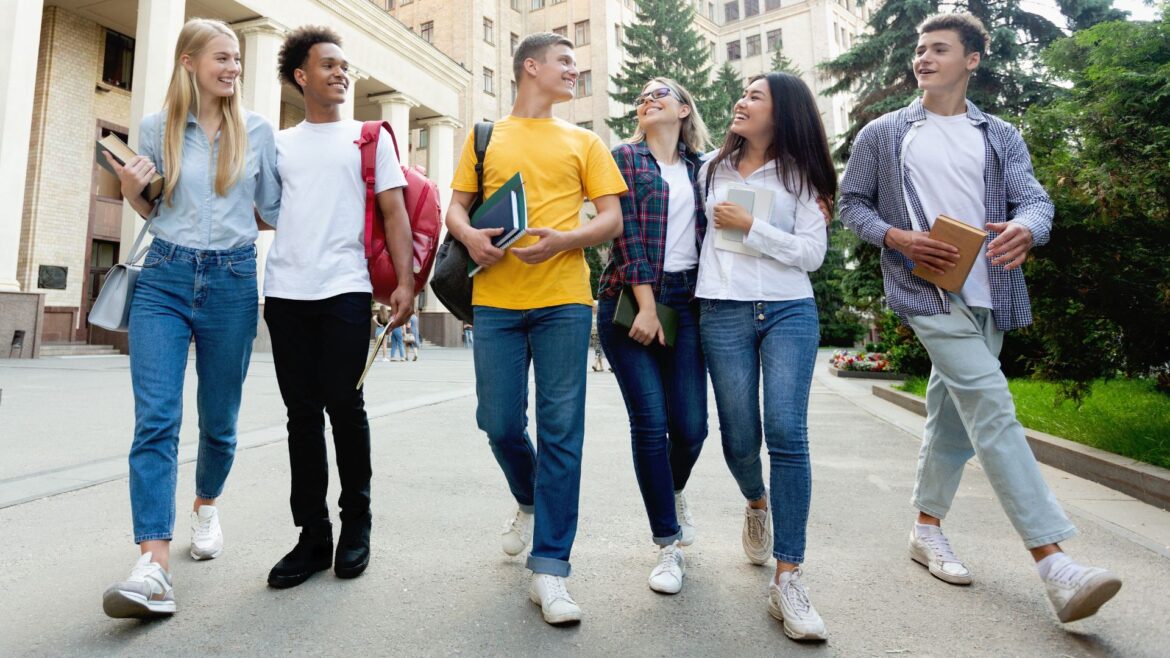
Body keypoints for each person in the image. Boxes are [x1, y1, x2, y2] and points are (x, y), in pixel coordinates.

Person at [839, 12, 1121, 624]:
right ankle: (1055, 564)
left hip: (991, 291)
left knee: (953, 418)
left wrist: (1027, 227)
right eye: (919, 49)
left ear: (972, 60)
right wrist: (899, 238)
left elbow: (1036, 199)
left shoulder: (999, 135)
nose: (923, 58)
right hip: (925, 292)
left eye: (938, 49)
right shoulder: (885, 134)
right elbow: (851, 204)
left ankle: (926, 528)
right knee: (991, 406)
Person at [444, 32, 627, 625]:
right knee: (497, 422)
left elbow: (611, 220)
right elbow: (456, 208)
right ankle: (527, 498)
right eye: (566, 62)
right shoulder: (485, 136)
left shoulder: (585, 141)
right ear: (531, 66)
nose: (575, 71)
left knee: (562, 431)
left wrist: (566, 240)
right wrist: (470, 236)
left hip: (564, 303)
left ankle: (550, 568)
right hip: (494, 303)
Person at [100, 18, 281, 619]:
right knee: (156, 418)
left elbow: (275, 208)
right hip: (165, 278)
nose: (233, 67)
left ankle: (206, 504)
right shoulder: (156, 129)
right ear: (189, 63)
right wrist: (131, 189)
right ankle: (153, 562)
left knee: (220, 419)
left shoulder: (256, 130)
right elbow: (152, 203)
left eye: (236, 59)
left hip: (231, 280)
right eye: (222, 58)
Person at [262, 25, 414, 589]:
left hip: (346, 289)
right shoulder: (278, 143)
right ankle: (312, 536)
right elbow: (262, 212)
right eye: (329, 65)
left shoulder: (369, 138)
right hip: (285, 293)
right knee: (301, 417)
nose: (341, 73)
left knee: (345, 409)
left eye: (345, 65)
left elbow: (395, 214)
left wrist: (405, 284)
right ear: (302, 76)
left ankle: (357, 527)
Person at [696, 72, 835, 641]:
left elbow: (811, 255)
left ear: (784, 113)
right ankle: (756, 501)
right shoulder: (710, 168)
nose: (741, 101)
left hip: (786, 311)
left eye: (755, 96)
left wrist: (753, 227)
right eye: (743, 94)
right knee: (737, 437)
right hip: (722, 310)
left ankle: (789, 578)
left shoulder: (805, 175)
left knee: (786, 431)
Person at [597, 77, 711, 595]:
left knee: (690, 429)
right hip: (630, 301)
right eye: (641, 96)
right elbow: (627, 235)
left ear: (684, 109)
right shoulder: (624, 158)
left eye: (660, 93)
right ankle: (668, 545)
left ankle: (673, 488)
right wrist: (646, 305)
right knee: (650, 422)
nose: (647, 100)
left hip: (688, 303)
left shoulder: (703, 169)